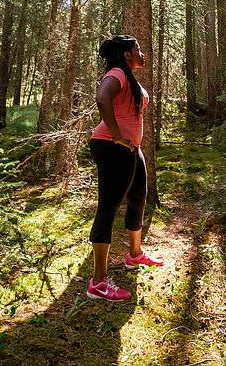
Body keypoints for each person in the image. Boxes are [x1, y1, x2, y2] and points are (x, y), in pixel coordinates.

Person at [86, 34, 163, 302]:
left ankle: (134, 255)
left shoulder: (128, 76)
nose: (142, 53)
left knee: (139, 198)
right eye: (138, 49)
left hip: (130, 148)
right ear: (127, 54)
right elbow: (102, 99)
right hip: (111, 145)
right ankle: (98, 282)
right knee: (108, 208)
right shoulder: (117, 73)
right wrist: (118, 136)